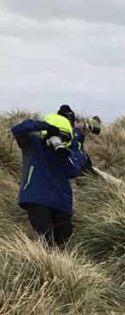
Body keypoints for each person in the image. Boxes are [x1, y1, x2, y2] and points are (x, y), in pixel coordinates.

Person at [10, 106, 88, 248]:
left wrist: (72, 146)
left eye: (64, 136)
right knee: (46, 243)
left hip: (62, 203)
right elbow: (18, 129)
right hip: (36, 198)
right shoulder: (33, 142)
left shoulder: (67, 151)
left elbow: (76, 169)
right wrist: (46, 127)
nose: (60, 139)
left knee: (63, 245)